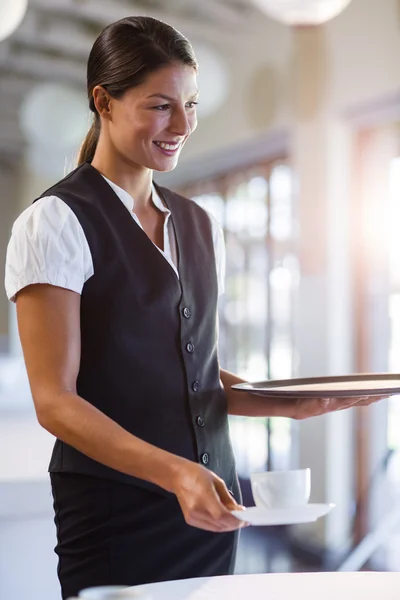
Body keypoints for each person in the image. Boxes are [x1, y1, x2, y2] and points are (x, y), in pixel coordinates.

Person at [4, 15, 381, 600]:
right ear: (103, 102)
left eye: (191, 105)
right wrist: (177, 472)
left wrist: (282, 403)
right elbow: (56, 402)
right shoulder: (54, 223)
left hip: (210, 510)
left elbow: (187, 371)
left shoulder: (201, 224)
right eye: (160, 106)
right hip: (116, 514)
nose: (182, 125)